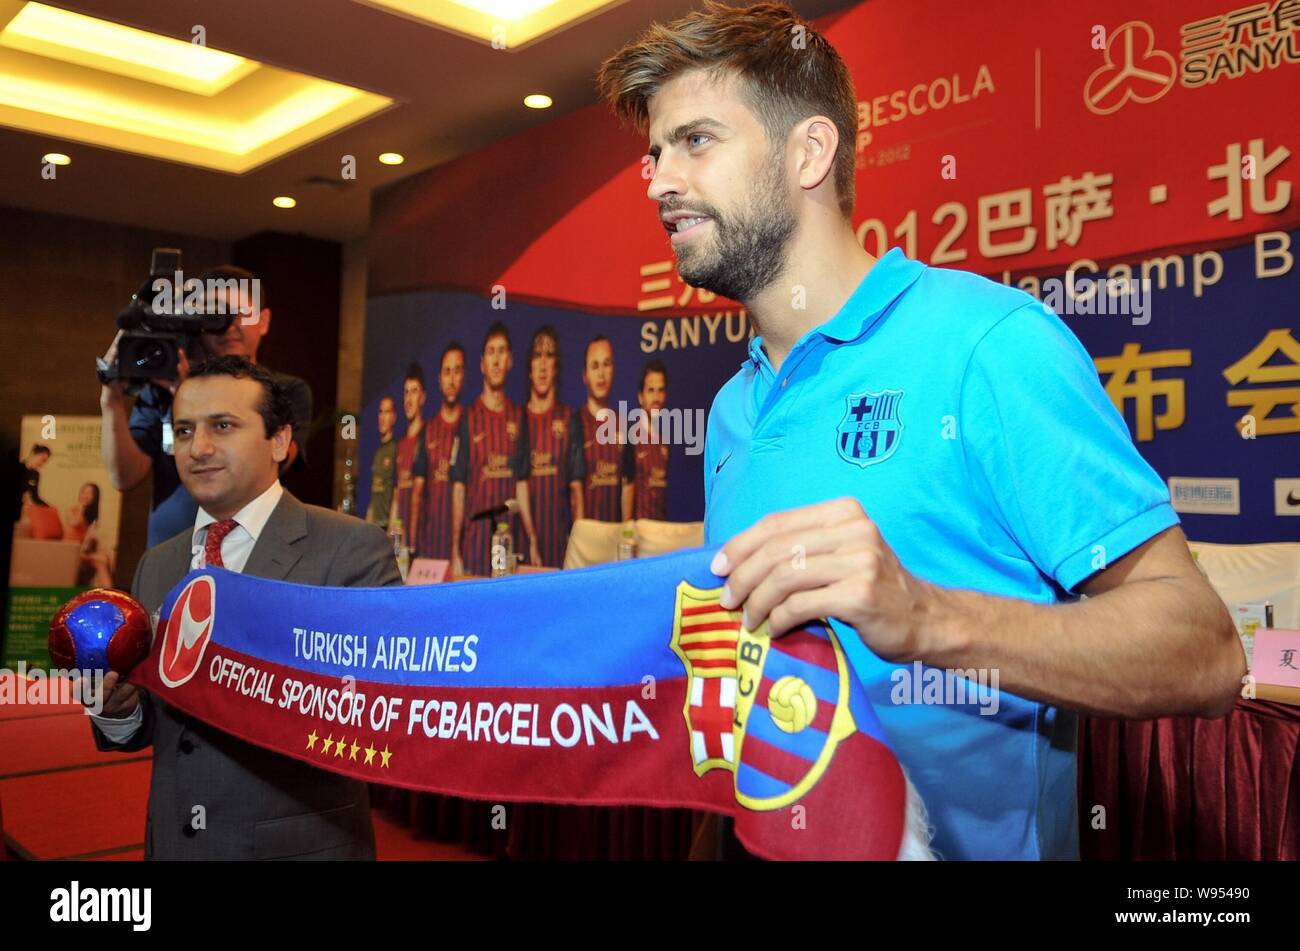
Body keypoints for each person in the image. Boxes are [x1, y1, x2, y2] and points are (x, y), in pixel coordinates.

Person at [597, 1, 1244, 860]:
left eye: (696, 141)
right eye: (654, 154)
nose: (659, 181)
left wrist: (926, 617)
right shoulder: (732, 409)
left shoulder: (988, 346)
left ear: (810, 153)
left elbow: (1204, 651)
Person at [87, 356, 400, 860]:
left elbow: (381, 714)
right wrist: (116, 709)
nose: (199, 448)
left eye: (223, 426)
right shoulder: (157, 565)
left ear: (279, 440)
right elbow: (151, 727)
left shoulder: (350, 549)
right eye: (184, 430)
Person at [99, 266, 313, 547]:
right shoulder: (163, 387)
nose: (230, 325)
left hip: (254, 548)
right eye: (216, 314)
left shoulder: (286, 390)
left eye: (242, 313)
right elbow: (123, 477)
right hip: (172, 549)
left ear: (264, 320)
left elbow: (276, 461)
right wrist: (111, 400)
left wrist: (191, 397)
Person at [450, 323, 539, 576]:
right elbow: (458, 487)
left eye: (502, 352)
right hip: (475, 545)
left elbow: (522, 484)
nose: (497, 360)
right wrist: (455, 548)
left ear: (510, 361)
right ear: (482, 363)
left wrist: (531, 537)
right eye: (491, 352)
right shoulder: (469, 417)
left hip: (509, 544)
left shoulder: (518, 416)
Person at [524, 327, 585, 567]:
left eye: (549, 356)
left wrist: (578, 551)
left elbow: (576, 493)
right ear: (529, 367)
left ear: (556, 366)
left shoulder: (569, 419)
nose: (542, 364)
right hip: (522, 548)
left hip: (559, 549)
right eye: (537, 356)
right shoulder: (517, 420)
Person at [572, 336, 634, 522]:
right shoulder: (575, 423)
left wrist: (626, 533)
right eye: (595, 365)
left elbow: (628, 485)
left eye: (606, 364)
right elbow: (574, 489)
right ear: (585, 375)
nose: (601, 374)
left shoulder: (624, 425)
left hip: (616, 539)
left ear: (613, 369)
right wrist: (582, 539)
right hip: (586, 538)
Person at [419, 343, 466, 559]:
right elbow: (419, 495)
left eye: (457, 371)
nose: (452, 379)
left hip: (467, 548)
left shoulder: (472, 423)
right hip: (432, 544)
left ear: (464, 376)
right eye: (447, 372)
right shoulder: (428, 430)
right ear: (439, 379)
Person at [623, 360, 670, 520]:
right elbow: (627, 487)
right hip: (637, 535)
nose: (656, 397)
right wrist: (627, 530)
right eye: (651, 390)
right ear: (640, 396)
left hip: (660, 535)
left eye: (660, 390)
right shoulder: (632, 438)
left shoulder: (665, 442)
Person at [389, 363, 427, 550]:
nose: (409, 399)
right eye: (406, 392)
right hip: (399, 543)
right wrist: (390, 541)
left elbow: (420, 496)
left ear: (423, 397)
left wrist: (412, 543)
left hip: (421, 543)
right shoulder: (401, 444)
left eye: (414, 392)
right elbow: (396, 496)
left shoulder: (428, 437)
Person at [366, 395, 398, 529]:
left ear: (394, 417)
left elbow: (397, 493)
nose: (382, 417)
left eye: (387, 412)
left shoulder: (396, 449)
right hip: (375, 525)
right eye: (380, 412)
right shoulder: (378, 452)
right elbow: (374, 492)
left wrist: (392, 527)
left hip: (387, 525)